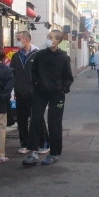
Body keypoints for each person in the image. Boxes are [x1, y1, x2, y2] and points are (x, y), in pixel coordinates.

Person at [22, 30, 74, 166]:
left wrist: (63, 89)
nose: (48, 39)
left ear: (57, 41)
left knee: (54, 122)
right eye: (48, 37)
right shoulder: (40, 55)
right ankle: (33, 151)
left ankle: (54, 153)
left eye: (51, 37)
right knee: (35, 120)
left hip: (57, 94)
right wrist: (37, 84)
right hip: (40, 92)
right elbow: (33, 72)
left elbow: (68, 77)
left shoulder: (63, 57)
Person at [10, 31, 50, 155]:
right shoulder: (16, 56)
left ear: (26, 40)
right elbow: (12, 74)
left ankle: (43, 143)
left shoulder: (38, 55)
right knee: (21, 120)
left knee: (37, 119)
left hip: (35, 93)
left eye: (18, 38)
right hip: (20, 93)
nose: (16, 41)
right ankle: (25, 144)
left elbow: (44, 74)